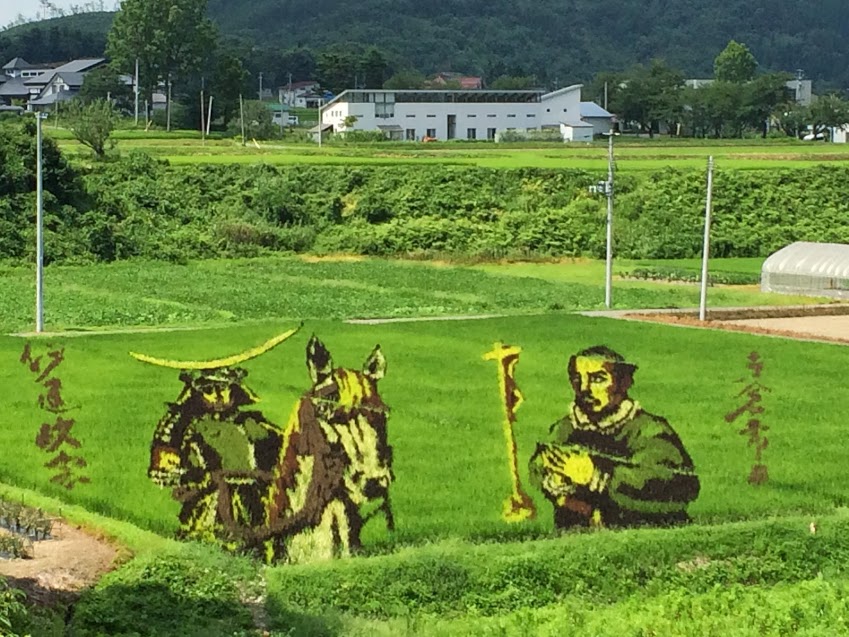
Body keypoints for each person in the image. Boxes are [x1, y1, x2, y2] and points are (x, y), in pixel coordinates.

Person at [529, 345, 700, 529]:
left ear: (623, 382)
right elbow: (540, 464)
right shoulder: (565, 428)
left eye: (598, 379)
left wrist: (596, 473)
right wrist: (555, 478)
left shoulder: (649, 430)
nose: (584, 388)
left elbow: (676, 484)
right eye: (578, 379)